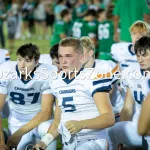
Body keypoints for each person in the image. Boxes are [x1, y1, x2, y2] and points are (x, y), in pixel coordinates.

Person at [33, 37, 115, 150]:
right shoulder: (56, 82)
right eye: (60, 56)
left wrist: (82, 124)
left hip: (94, 140)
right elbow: (57, 122)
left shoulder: (93, 77)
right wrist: (44, 143)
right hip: (69, 143)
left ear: (81, 58)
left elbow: (109, 118)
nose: (63, 61)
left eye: (68, 56)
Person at [0, 43, 56, 150]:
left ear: (36, 62)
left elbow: (46, 113)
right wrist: (1, 142)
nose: (22, 65)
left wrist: (19, 133)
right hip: (17, 121)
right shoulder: (6, 70)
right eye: (19, 59)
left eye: (27, 61)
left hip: (41, 121)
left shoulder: (46, 72)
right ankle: (6, 134)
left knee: (46, 130)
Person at [107, 36, 150, 149]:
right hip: (137, 128)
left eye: (144, 55)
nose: (140, 60)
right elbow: (127, 108)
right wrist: (122, 139)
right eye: (138, 55)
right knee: (109, 131)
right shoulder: (131, 73)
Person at [80, 36, 123, 123]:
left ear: (90, 53)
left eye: (81, 52)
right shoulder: (77, 71)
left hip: (114, 111)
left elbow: (109, 94)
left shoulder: (106, 66)